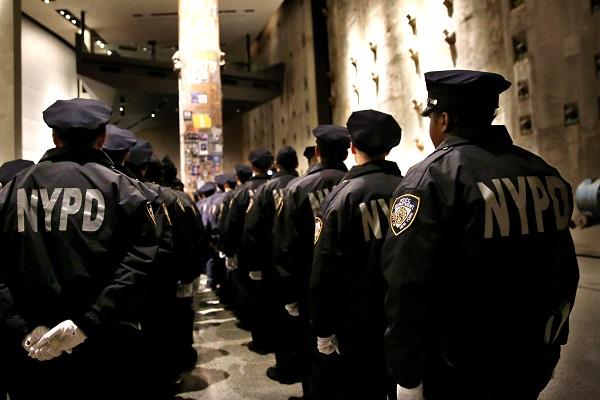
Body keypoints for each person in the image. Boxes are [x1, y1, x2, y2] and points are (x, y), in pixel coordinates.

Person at [382, 70, 580, 400]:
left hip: (462, 366)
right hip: (532, 355)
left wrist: (407, 372)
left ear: (443, 119)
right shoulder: (543, 172)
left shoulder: (431, 179)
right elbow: (564, 269)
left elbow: (408, 285)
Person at [0, 98, 158, 399]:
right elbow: (141, 264)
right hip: (104, 342)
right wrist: (89, 324)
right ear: (102, 138)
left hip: (32, 345)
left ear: (54, 137)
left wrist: (23, 326)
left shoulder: (12, 190)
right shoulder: (125, 191)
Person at [309, 110, 403, 400]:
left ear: (352, 147)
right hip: (402, 314)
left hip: (358, 322)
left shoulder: (341, 198)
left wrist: (323, 328)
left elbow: (324, 269)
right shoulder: (409, 187)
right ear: (389, 148)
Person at [273, 125, 350, 399]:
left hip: (310, 288)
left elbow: (286, 247)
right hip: (354, 288)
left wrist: (289, 295)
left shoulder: (298, 189)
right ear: (347, 151)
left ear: (317, 152)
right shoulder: (352, 182)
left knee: (315, 361)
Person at [242, 146, 300, 381]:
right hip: (305, 260)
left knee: (280, 316)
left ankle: (286, 366)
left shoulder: (266, 190)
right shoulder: (304, 184)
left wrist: (253, 263)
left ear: (277, 164)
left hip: (273, 262)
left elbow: (251, 229)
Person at [221, 149, 274, 351]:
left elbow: (231, 225)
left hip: (250, 254)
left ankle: (261, 341)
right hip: (276, 253)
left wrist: (229, 251)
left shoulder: (241, 192)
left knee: (255, 300)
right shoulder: (277, 186)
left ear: (253, 167)